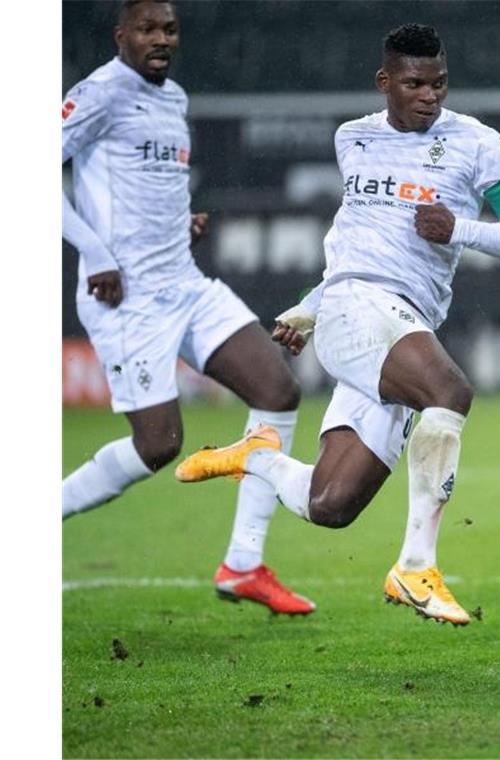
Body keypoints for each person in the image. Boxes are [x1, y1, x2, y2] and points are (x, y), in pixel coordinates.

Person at [174, 23, 500, 627]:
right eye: (414, 83)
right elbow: (356, 246)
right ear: (385, 83)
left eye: (440, 83)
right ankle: (415, 567)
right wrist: (314, 306)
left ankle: (257, 457)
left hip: (401, 324)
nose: (430, 95)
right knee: (449, 391)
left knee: (330, 503)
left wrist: (461, 229)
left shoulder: (478, 144)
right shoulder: (352, 139)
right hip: (359, 308)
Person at [61, 0, 315, 616]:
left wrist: (182, 222)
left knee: (277, 391)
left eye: (169, 29)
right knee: (159, 445)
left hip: (184, 282)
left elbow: (139, 187)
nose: (161, 38)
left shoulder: (173, 97)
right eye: (147, 28)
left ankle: (244, 565)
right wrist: (95, 252)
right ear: (121, 35)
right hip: (126, 300)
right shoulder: (98, 93)